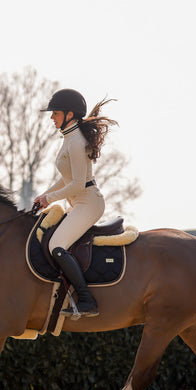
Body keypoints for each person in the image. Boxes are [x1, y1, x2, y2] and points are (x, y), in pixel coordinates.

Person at [33, 88, 117, 317]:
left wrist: (49, 198)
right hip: (79, 202)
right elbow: (66, 178)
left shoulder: (76, 142)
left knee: (56, 245)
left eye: (55, 113)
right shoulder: (70, 138)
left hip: (88, 203)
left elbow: (79, 184)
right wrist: (44, 195)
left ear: (69, 114)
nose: (52, 117)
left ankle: (87, 300)